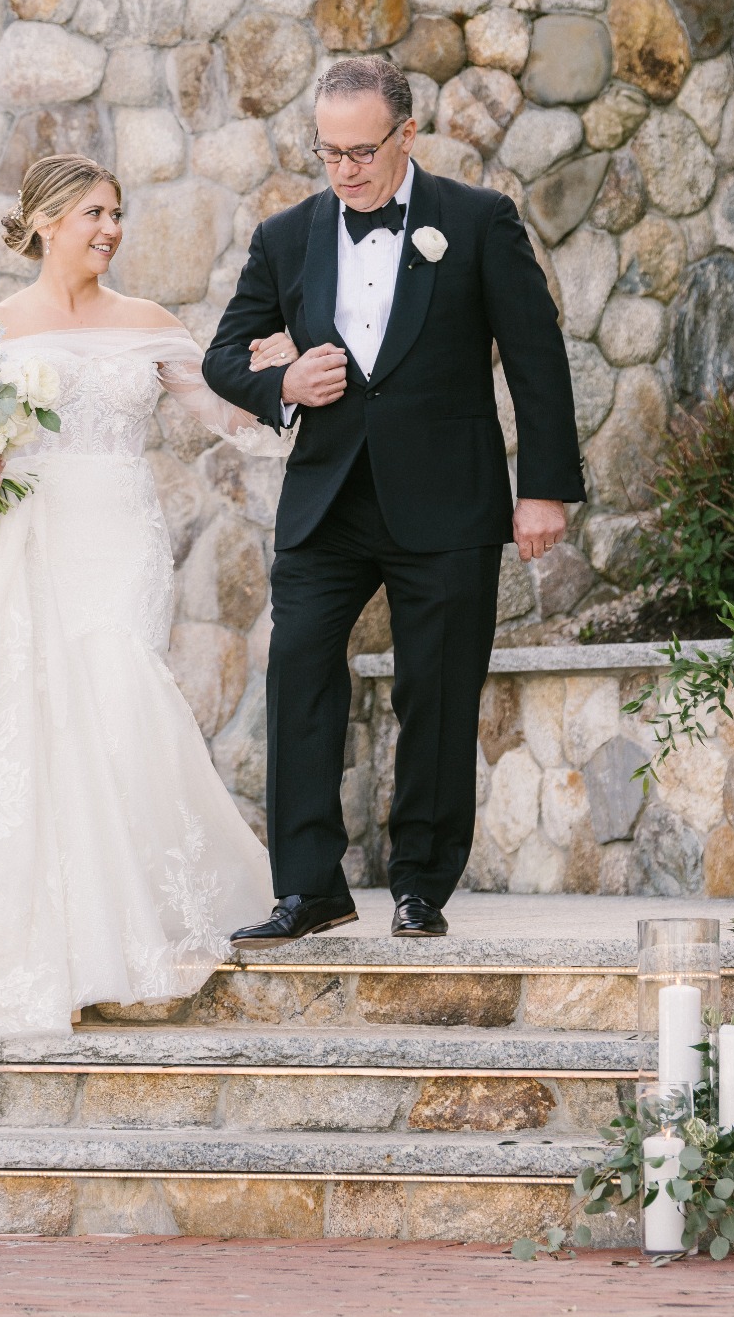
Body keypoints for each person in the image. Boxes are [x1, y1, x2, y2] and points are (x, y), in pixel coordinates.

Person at [0, 154, 278, 1035]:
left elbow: (223, 414)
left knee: (118, 691)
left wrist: (279, 383)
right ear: (48, 220)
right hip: (31, 539)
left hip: (120, 537)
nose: (111, 229)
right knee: (38, 712)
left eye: (118, 213)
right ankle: (67, 936)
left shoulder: (149, 322)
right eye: (94, 212)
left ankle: (129, 923)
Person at [202, 55, 585, 946]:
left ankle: (421, 886)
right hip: (326, 504)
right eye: (329, 153)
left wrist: (544, 492)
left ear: (408, 135)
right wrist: (285, 381)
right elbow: (225, 355)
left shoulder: (478, 221)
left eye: (362, 151)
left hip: (448, 502)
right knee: (298, 677)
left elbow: (536, 358)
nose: (346, 169)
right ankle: (308, 888)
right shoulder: (287, 234)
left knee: (437, 694)